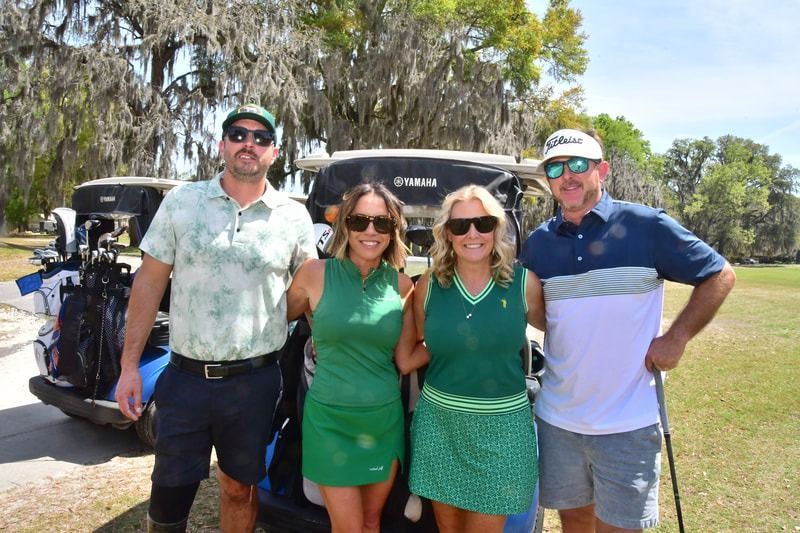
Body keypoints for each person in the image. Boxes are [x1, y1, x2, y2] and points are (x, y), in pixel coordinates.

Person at [520, 128, 736, 532]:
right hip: (559, 420)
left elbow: (719, 275)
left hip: (628, 424)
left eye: (578, 164)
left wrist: (677, 337)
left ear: (602, 169)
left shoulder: (646, 225)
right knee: (574, 525)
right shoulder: (539, 243)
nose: (567, 175)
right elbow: (541, 315)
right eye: (555, 168)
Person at [115, 103, 317, 532]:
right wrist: (130, 366)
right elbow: (149, 284)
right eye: (239, 134)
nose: (249, 144)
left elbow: (311, 292)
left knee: (239, 489)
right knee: (170, 492)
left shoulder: (294, 217)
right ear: (223, 144)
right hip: (185, 379)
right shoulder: (182, 202)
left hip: (255, 382)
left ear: (274, 152)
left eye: (261, 138)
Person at [285, 182, 423, 533]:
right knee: (347, 527)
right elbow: (273, 322)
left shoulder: (403, 287)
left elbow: (406, 360)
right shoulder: (313, 275)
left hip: (383, 423)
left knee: (373, 521)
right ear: (345, 224)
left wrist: (456, 343)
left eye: (383, 223)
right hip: (329, 421)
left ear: (394, 231)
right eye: (361, 221)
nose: (371, 231)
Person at [408, 184, 545, 533]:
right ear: (447, 234)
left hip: (503, 432)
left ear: (496, 229)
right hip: (441, 427)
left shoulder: (523, 285)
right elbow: (417, 347)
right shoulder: (428, 286)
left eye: (483, 224)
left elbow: (563, 337)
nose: (472, 233)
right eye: (460, 226)